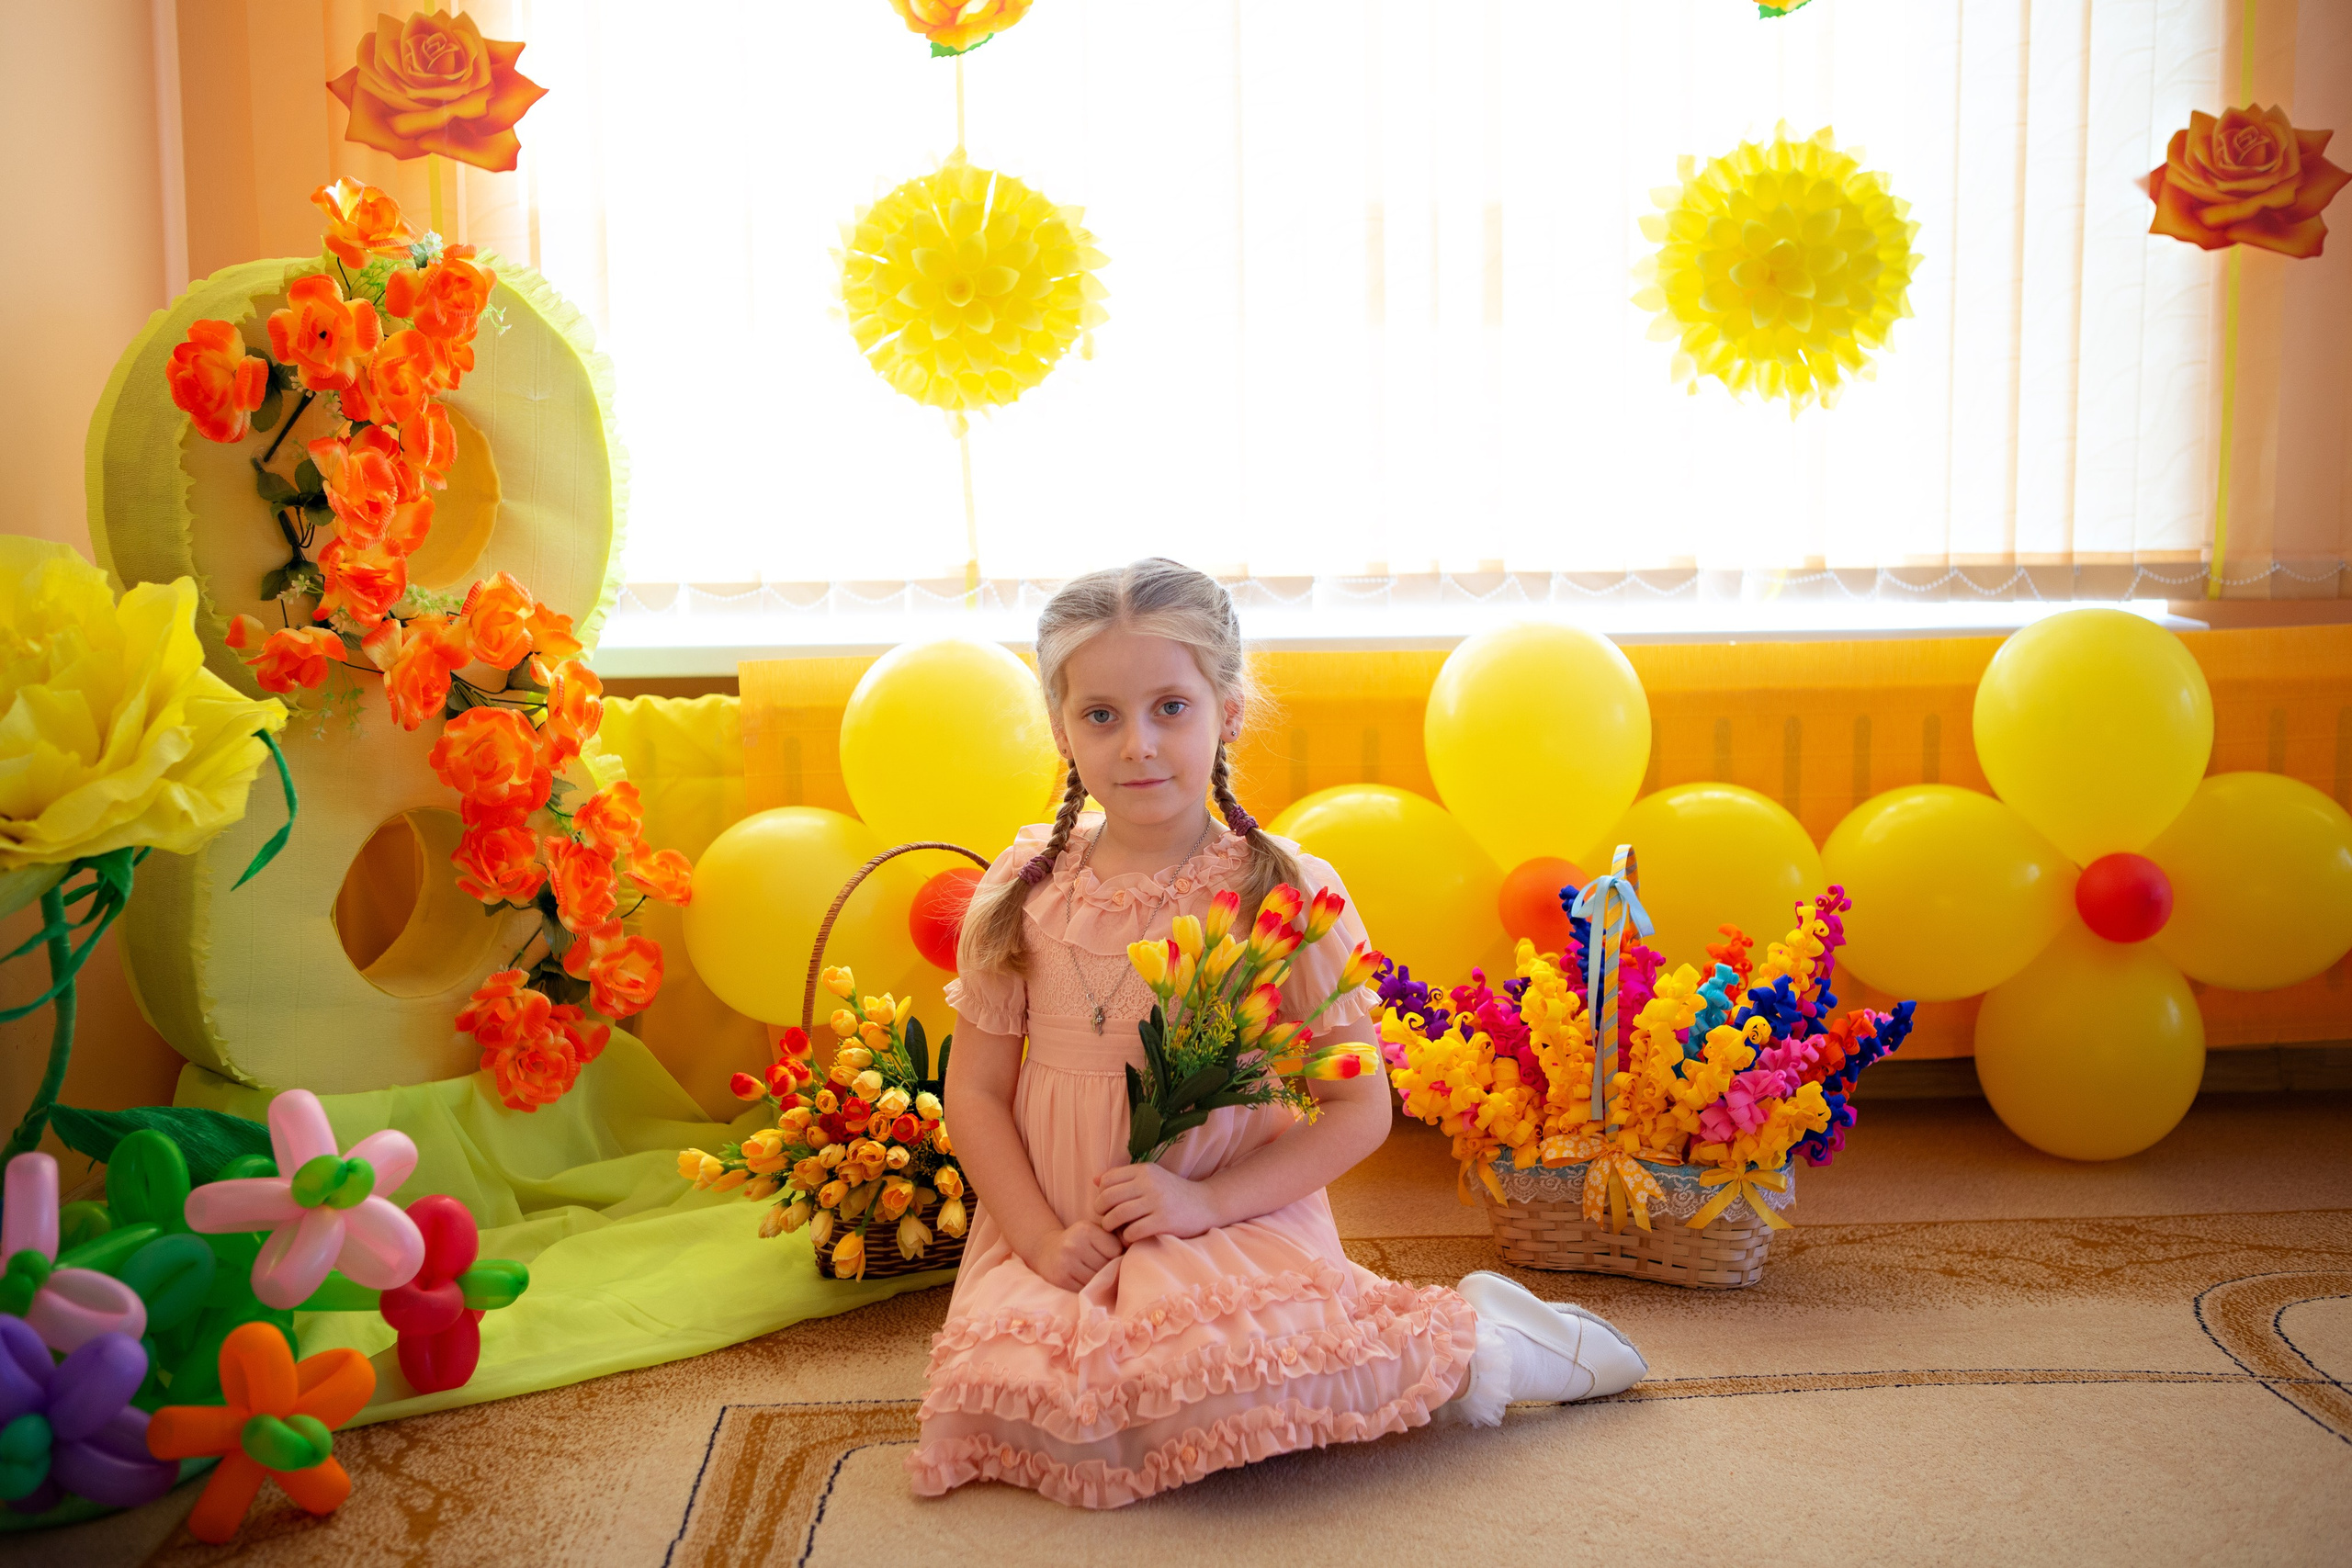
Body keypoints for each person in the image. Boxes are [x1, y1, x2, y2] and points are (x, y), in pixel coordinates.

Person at [908, 558, 1645, 1509]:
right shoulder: (1020, 892)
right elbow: (972, 1092)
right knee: (1032, 1407)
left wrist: (1199, 1204)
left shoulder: (1278, 892)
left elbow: (1356, 1110)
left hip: (1221, 1214)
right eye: (1100, 715)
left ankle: (1497, 1343)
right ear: (1061, 729)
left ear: (1228, 710)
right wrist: (1042, 1240)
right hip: (1056, 1230)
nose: (1137, 744)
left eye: (1170, 707)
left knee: (1226, 1384)